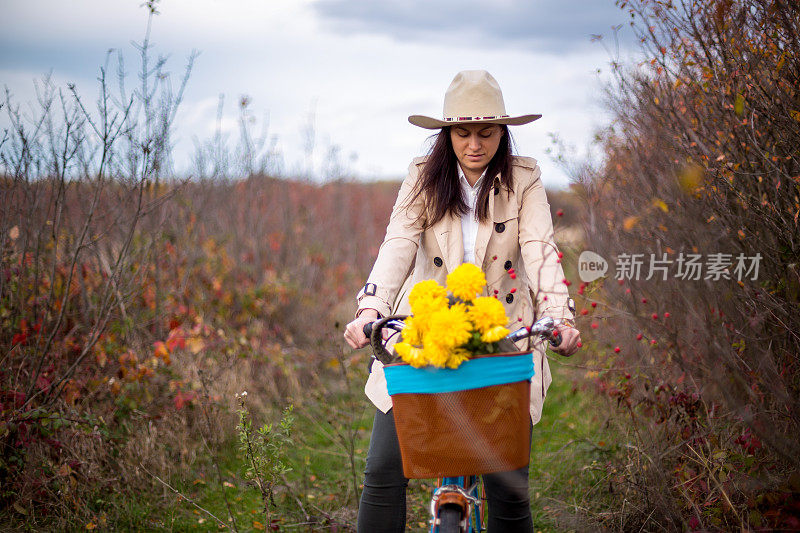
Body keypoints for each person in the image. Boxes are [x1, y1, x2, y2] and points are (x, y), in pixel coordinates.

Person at [343, 70, 581, 532]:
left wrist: (558, 315)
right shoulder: (422, 176)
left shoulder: (524, 178)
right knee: (383, 472)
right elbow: (398, 243)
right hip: (424, 330)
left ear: (503, 133)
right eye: (463, 132)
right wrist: (370, 308)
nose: (475, 144)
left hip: (502, 331)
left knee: (508, 485)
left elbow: (539, 249)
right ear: (447, 134)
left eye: (486, 132)